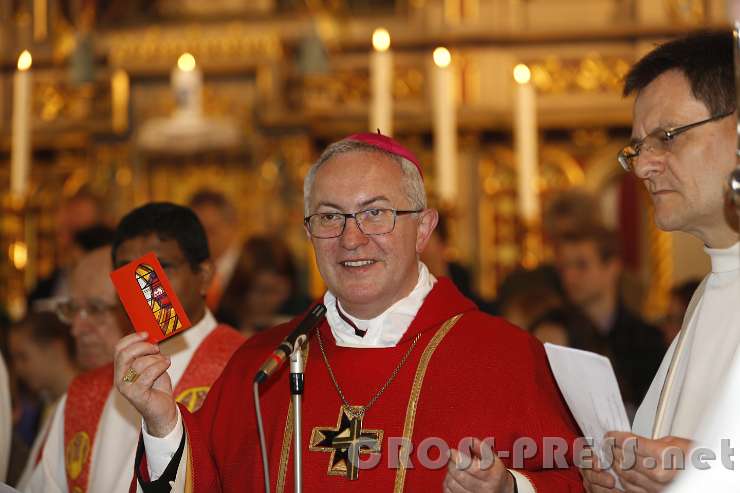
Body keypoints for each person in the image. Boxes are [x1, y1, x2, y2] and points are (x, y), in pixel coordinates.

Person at [115, 133, 582, 493]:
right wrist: (162, 422)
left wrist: (509, 488)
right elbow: (207, 476)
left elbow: (574, 480)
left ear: (423, 228)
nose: (351, 239)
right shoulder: (263, 364)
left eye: (375, 213)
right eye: (329, 217)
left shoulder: (506, 357)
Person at [580, 30, 739, 492]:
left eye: (666, 138)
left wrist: (711, 473)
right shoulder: (711, 291)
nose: (644, 167)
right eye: (637, 148)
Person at [24, 204, 245, 493]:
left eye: (160, 267)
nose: (146, 285)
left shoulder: (244, 370)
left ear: (204, 275)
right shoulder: (85, 392)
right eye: (129, 270)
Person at [555, 226, 665, 411]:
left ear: (612, 268)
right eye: (564, 267)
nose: (570, 276)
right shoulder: (553, 329)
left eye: (581, 265)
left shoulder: (647, 340)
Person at [7, 312, 79, 489]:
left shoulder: (81, 405)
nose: (18, 368)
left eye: (23, 356)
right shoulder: (44, 404)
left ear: (54, 348)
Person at [217, 235, 311, 334]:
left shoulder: (307, 312)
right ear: (242, 288)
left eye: (275, 290)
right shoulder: (226, 316)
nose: (268, 300)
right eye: (260, 291)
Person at [188, 190, 242, 315]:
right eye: (194, 233)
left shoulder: (251, 267)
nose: (201, 240)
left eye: (211, 231)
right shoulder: (184, 272)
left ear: (232, 226)